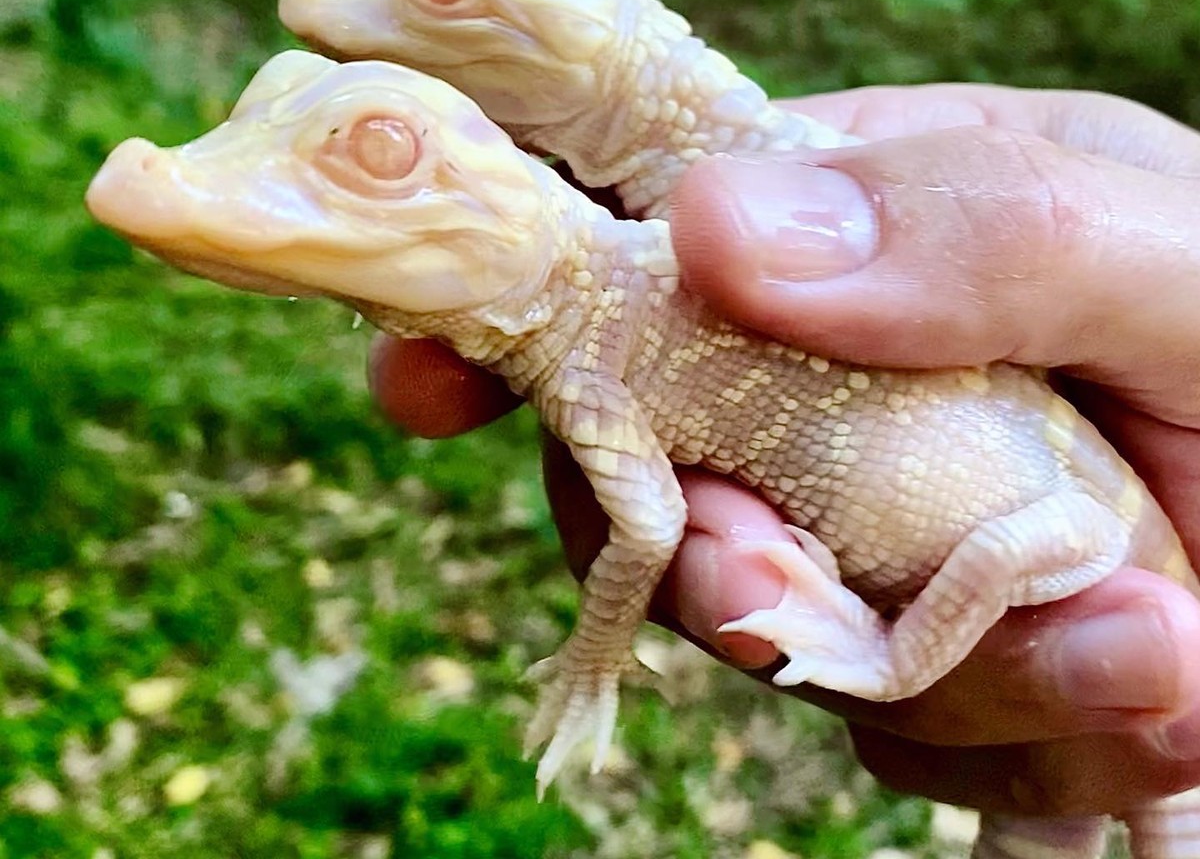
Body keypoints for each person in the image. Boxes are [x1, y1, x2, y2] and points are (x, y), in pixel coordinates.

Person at [368, 83, 1200, 817]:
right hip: (1046, 528)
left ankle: (894, 665)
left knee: (1079, 740)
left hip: (1060, 529)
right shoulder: (612, 302)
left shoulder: (619, 307)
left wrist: (593, 655)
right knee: (1055, 801)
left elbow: (653, 525)